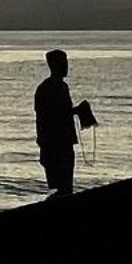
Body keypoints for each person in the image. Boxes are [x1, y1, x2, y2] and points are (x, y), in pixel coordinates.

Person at [33, 48, 92, 196]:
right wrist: (76, 111)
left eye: (66, 63)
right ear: (54, 65)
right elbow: (49, 116)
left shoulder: (62, 87)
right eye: (63, 63)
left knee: (66, 187)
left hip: (64, 142)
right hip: (53, 144)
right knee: (60, 187)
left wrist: (75, 111)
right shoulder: (46, 88)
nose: (66, 67)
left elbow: (58, 112)